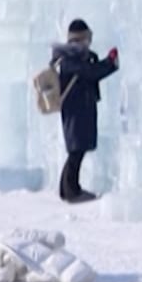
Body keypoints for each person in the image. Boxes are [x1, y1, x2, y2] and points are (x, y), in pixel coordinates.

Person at [51, 19, 119, 203]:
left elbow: (89, 70)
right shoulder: (70, 59)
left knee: (76, 150)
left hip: (78, 108)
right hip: (76, 109)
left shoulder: (70, 58)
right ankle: (71, 191)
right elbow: (90, 72)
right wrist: (110, 63)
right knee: (76, 151)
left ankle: (67, 189)